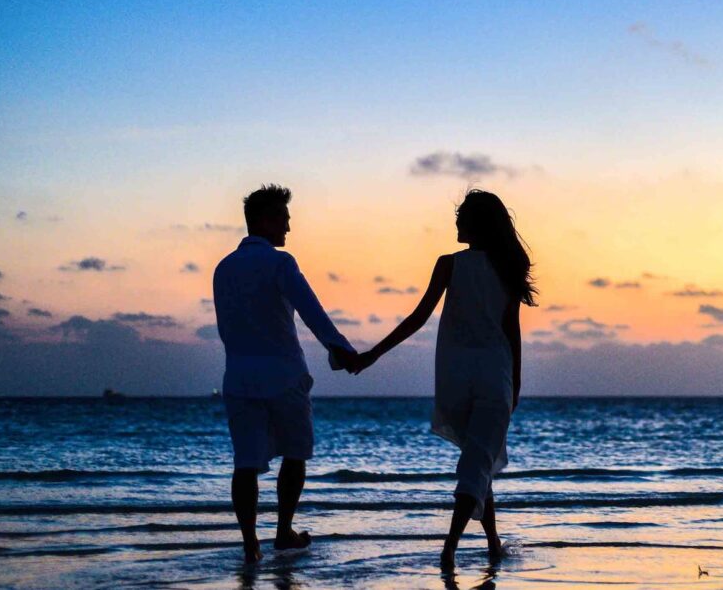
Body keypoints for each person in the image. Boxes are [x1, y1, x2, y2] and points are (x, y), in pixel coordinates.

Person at [353, 189, 535, 569]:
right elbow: (511, 330)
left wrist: (373, 355)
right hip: (494, 376)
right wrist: (516, 383)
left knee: (478, 461)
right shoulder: (507, 266)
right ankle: (449, 548)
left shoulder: (449, 264)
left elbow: (418, 318)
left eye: (460, 216)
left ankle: (493, 543)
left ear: (476, 223)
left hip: (454, 380)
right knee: (476, 464)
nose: (455, 222)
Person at [212, 184, 360, 563]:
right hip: (283, 374)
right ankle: (282, 532)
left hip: (239, 376)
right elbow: (311, 310)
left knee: (245, 463)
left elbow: (225, 327)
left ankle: (250, 544)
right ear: (265, 219)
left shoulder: (223, 268)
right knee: (295, 454)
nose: (288, 229)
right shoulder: (281, 263)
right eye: (284, 219)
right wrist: (340, 349)